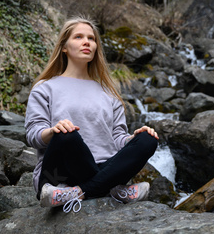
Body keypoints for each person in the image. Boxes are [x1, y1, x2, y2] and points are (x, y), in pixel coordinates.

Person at [25, 16, 159, 213]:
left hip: (106, 169)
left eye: (92, 38)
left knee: (148, 139)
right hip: (58, 177)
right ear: (64, 47)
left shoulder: (109, 93)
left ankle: (82, 191)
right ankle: (112, 190)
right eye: (78, 37)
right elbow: (32, 135)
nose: (87, 42)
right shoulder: (45, 88)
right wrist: (53, 131)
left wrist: (133, 138)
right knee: (66, 134)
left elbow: (117, 139)